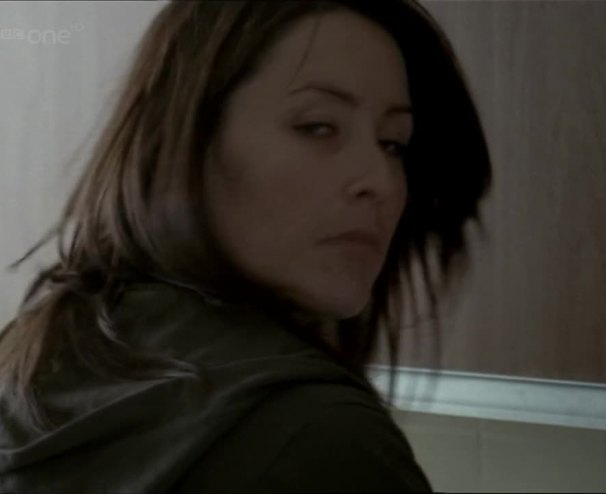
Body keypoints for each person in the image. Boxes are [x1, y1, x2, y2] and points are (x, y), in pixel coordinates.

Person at [0, 0, 492, 491]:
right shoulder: (322, 437)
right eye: (318, 126)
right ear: (186, 142)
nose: (381, 181)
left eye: (393, 143)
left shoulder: (33, 347)